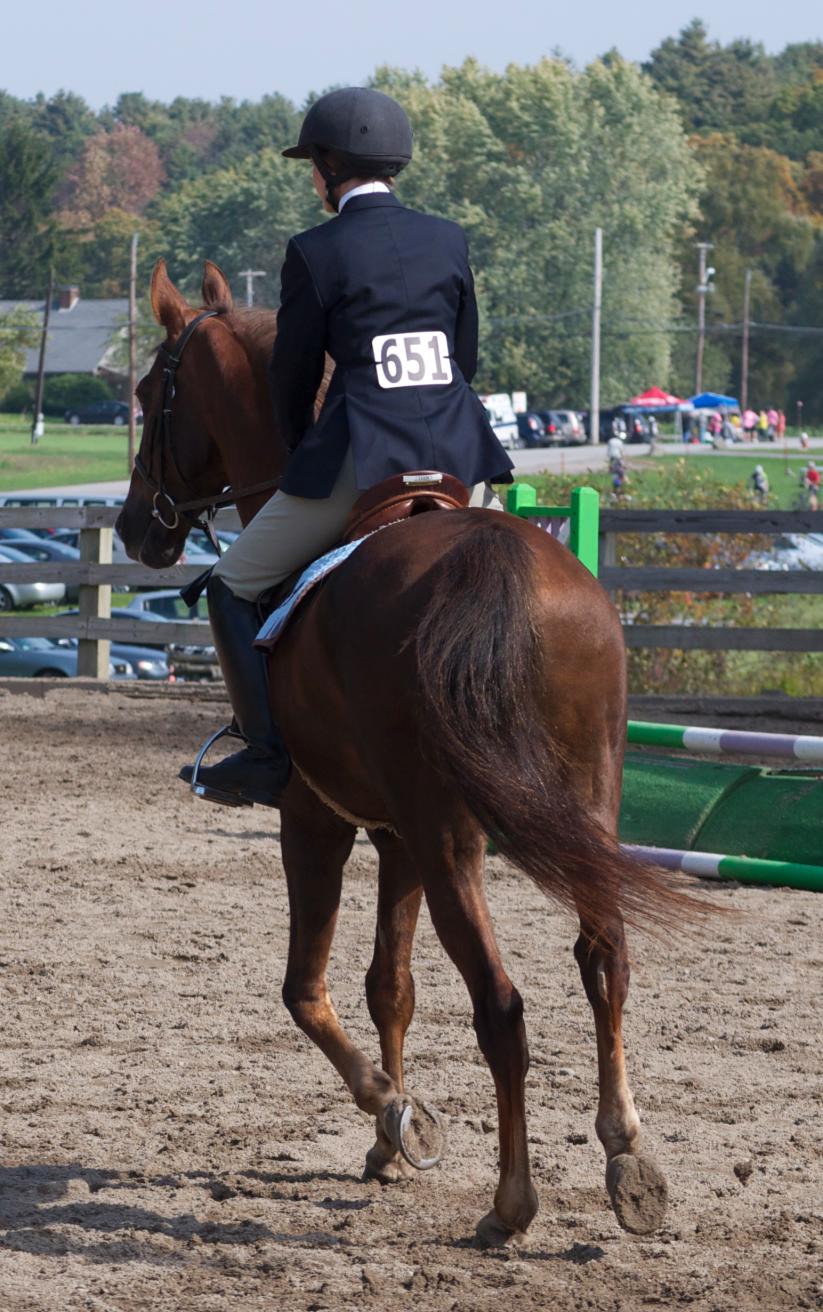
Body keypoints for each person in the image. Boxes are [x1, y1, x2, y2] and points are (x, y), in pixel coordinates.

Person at [180, 87, 515, 808]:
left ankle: (264, 754)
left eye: (312, 165)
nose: (311, 178)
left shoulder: (315, 250)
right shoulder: (447, 238)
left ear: (329, 167)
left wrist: (301, 452)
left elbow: (294, 376)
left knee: (230, 586)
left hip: (364, 458)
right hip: (462, 455)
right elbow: (464, 357)